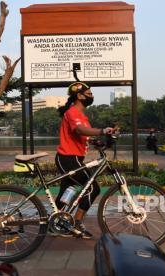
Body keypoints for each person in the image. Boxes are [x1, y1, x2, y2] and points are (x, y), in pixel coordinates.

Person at [55, 82, 115, 239]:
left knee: (65, 193)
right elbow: (80, 130)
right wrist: (102, 130)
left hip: (73, 158)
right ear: (79, 96)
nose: (92, 96)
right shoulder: (72, 112)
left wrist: (99, 142)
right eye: (89, 93)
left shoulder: (82, 116)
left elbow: (84, 135)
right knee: (92, 188)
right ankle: (77, 222)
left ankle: (55, 223)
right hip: (68, 158)